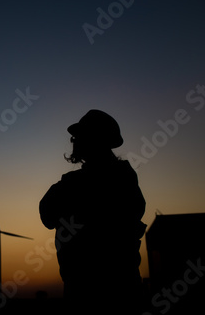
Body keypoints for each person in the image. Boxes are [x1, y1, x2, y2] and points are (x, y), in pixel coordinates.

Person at [39, 109, 146, 314]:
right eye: (74, 137)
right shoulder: (125, 180)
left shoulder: (77, 184)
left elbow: (48, 214)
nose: (75, 142)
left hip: (96, 294)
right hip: (113, 290)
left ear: (97, 140)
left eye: (80, 137)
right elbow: (48, 215)